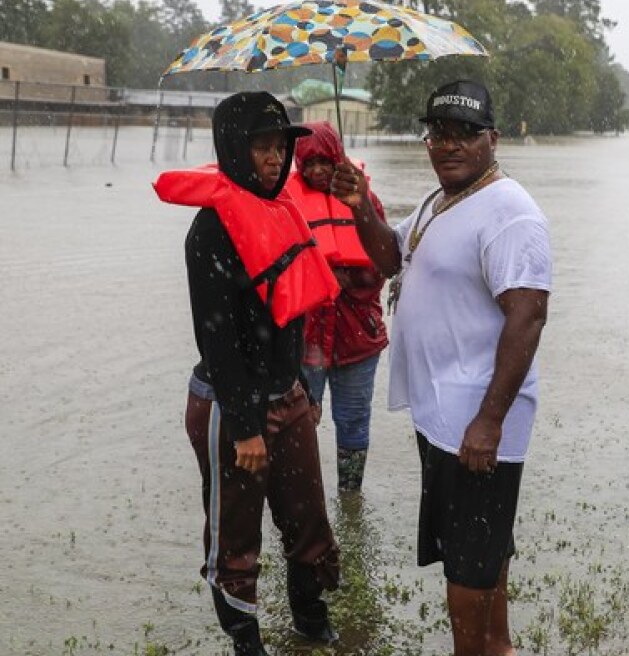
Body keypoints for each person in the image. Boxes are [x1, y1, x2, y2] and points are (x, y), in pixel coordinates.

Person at [330, 79, 551, 656]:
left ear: (493, 139)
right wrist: (360, 209)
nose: (448, 144)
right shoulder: (440, 201)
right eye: (438, 133)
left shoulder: (511, 213)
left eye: (465, 134)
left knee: (469, 567)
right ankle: (497, 648)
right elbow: (388, 257)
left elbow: (526, 318)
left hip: (476, 424)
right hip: (443, 418)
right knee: (480, 550)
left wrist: (488, 422)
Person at [153, 92, 343, 655]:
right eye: (263, 146)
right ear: (235, 150)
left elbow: (290, 313)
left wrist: (302, 386)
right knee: (237, 540)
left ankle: (309, 618)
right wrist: (243, 426)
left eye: (281, 147)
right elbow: (218, 339)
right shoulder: (210, 232)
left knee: (308, 519)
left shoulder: (282, 210)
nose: (275, 158)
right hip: (228, 405)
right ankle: (246, 641)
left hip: (288, 394)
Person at [285, 121, 390, 492]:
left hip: (357, 338)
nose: (316, 171)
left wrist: (351, 278)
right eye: (307, 164)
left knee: (353, 420)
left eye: (324, 162)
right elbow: (274, 272)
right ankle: (302, 497)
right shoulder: (287, 205)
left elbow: (385, 262)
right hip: (305, 338)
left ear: (337, 158)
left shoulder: (366, 200)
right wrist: (317, 276)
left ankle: (350, 496)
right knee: (296, 420)